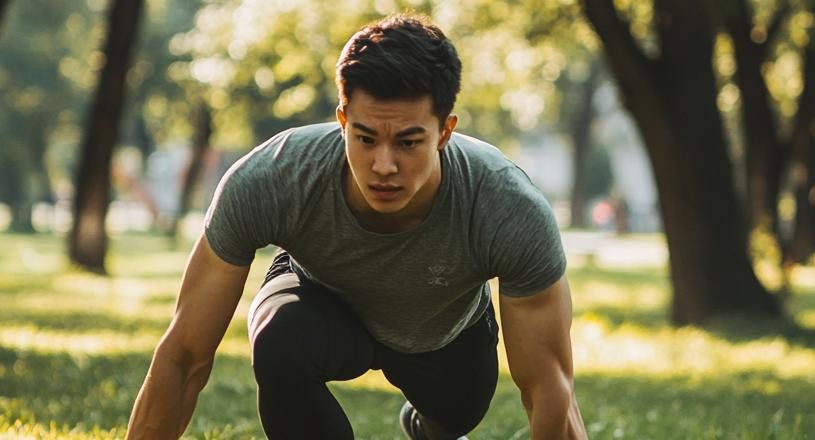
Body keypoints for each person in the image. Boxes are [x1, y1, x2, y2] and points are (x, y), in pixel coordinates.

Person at [126, 13, 588, 440]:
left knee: (457, 413)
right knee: (279, 342)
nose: (383, 165)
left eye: (409, 142)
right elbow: (184, 356)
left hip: (444, 333)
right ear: (342, 120)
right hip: (320, 304)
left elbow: (550, 388)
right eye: (365, 138)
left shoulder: (505, 205)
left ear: (445, 131)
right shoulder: (275, 178)